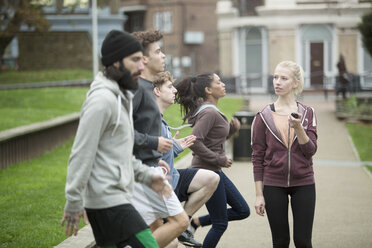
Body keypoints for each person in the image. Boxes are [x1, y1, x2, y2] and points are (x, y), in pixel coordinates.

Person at [61, 30, 173, 248]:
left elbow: (119, 153)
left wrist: (147, 176)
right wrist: (74, 201)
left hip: (114, 198)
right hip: (108, 201)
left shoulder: (120, 98)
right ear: (114, 62)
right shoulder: (101, 101)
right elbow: (81, 153)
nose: (141, 66)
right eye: (134, 60)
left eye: (142, 60)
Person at [175, 73, 250, 248]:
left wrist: (231, 130)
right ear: (208, 90)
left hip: (214, 171)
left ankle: (195, 223)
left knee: (242, 210)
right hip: (207, 171)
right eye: (218, 82)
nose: (223, 84)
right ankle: (190, 224)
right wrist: (219, 159)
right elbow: (194, 141)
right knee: (220, 223)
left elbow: (212, 139)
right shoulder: (208, 112)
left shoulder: (211, 110)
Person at [129, 30, 189, 248]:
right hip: (142, 174)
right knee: (181, 222)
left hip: (150, 167)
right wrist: (154, 145)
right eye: (158, 51)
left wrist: (156, 158)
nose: (163, 55)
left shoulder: (144, 87)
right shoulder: (136, 89)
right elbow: (122, 133)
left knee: (170, 243)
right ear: (144, 59)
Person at [251, 60, 318, 248]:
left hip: (304, 182)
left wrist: (298, 128)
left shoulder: (307, 113)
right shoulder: (263, 116)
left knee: (303, 241)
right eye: (275, 77)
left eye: (284, 78)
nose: (277, 82)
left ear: (295, 83)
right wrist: (259, 195)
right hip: (273, 185)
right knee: (280, 242)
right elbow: (257, 156)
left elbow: (310, 150)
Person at [153, 71, 220, 247]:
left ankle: (181, 224)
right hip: (157, 185)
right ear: (157, 91)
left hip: (171, 178)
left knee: (212, 178)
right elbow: (145, 153)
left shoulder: (160, 119)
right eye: (169, 87)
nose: (175, 90)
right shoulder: (150, 120)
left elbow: (159, 150)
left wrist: (174, 147)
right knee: (171, 244)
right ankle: (177, 226)